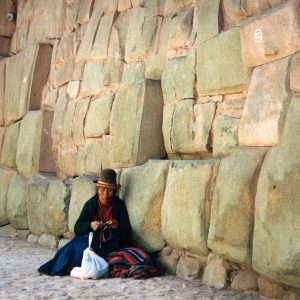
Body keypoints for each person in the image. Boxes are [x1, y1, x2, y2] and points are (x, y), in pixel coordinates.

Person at [38, 169, 132, 276]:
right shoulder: (91, 204)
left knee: (131, 255)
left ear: (115, 191)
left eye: (109, 190)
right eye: (102, 190)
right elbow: (77, 228)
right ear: (98, 189)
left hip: (111, 245)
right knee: (75, 248)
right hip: (92, 243)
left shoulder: (119, 205)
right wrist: (90, 225)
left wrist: (117, 226)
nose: (105, 194)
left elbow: (127, 234)